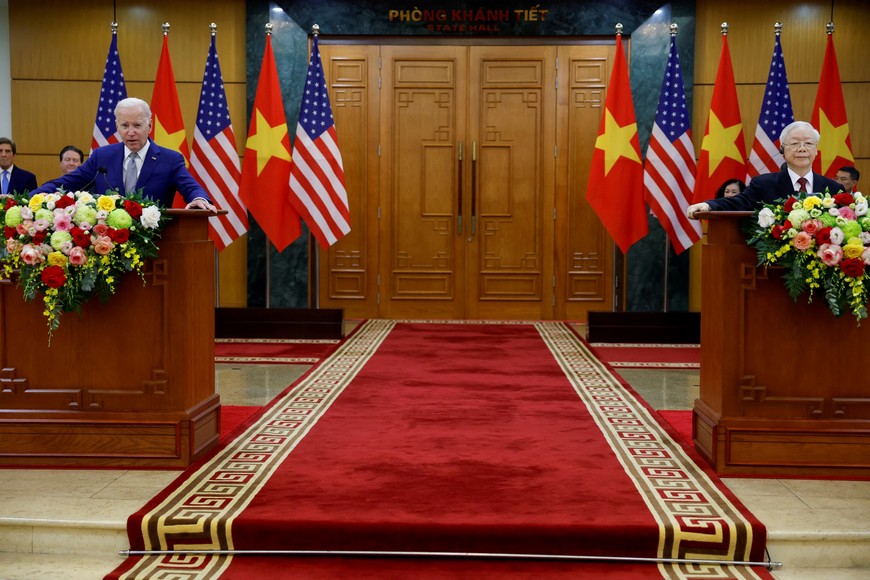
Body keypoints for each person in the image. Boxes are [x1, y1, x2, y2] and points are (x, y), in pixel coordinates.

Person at [30, 97, 216, 211]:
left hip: (155, 243)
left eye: (137, 125)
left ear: (149, 126)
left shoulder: (170, 159)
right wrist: (31, 196)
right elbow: (66, 183)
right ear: (117, 126)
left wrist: (199, 198)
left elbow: (190, 186)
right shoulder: (102, 157)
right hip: (108, 245)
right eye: (125, 125)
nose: (131, 132)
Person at [687, 121, 843, 218]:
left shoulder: (834, 188)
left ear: (816, 150)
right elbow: (738, 202)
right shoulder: (764, 184)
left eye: (808, 144)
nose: (802, 149)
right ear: (782, 150)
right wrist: (708, 205)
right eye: (795, 143)